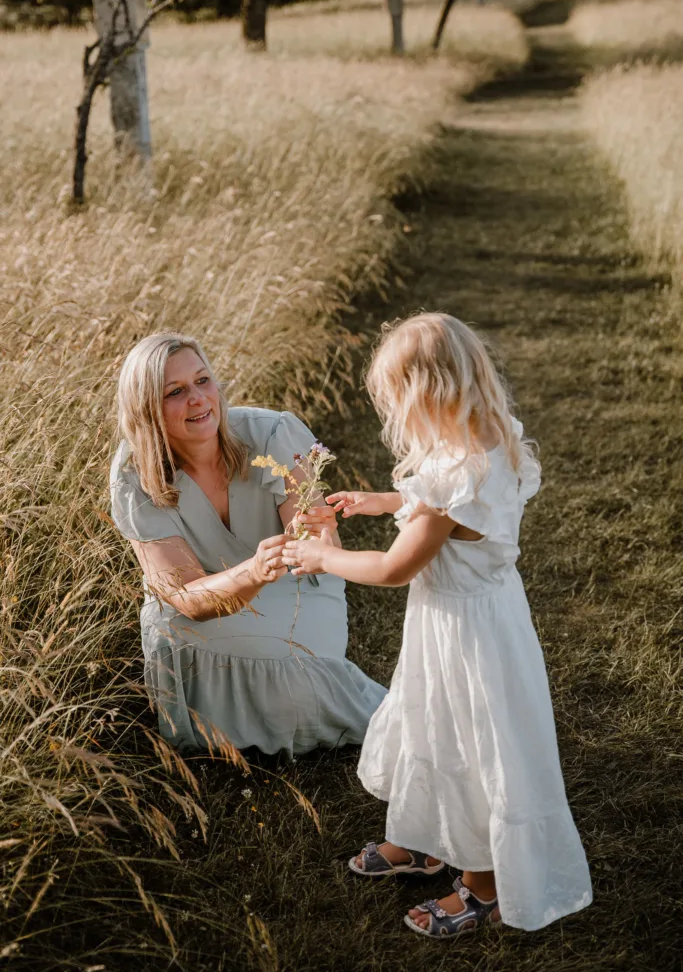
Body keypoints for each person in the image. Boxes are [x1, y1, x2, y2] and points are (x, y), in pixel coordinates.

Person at [283, 313, 592, 937]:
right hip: (468, 620)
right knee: (428, 724)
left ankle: (483, 884)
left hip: (469, 640)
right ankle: (428, 839)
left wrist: (323, 556)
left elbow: (397, 567)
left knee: (467, 747)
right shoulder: (482, 445)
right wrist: (385, 500)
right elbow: (439, 502)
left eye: (397, 400)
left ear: (428, 395)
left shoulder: (460, 480)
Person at [109, 331, 386, 758]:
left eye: (203, 381)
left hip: (296, 583)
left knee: (288, 658)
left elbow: (317, 542)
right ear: (146, 409)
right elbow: (184, 595)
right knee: (177, 636)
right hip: (206, 598)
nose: (199, 399)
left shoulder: (272, 435)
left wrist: (320, 535)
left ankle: (300, 712)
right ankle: (251, 720)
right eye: (176, 392)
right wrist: (251, 573)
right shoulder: (134, 474)